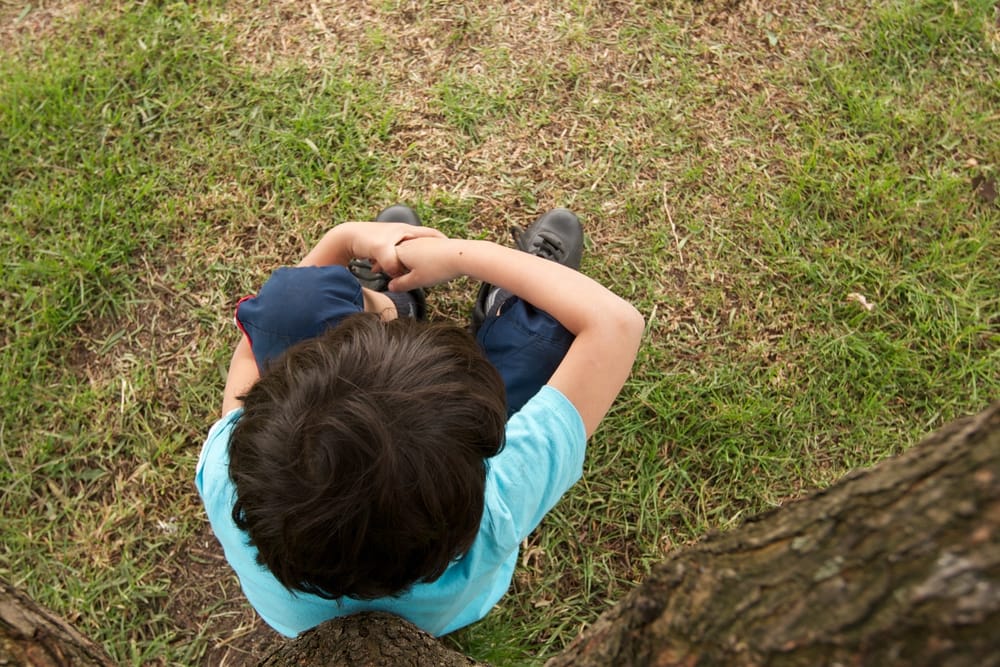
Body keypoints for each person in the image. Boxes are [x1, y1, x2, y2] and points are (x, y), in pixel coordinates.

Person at [196, 205, 644, 638]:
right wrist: (458, 256)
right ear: (480, 463)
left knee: (294, 304)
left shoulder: (228, 475)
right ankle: (502, 307)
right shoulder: (498, 507)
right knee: (548, 330)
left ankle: (396, 304)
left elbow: (253, 342)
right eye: (380, 320)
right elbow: (615, 323)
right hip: (453, 607)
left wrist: (347, 244)